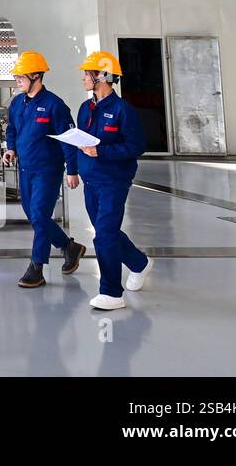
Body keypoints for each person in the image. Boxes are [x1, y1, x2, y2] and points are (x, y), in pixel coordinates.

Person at [75, 51, 151, 311]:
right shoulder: (85, 108)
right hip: (91, 181)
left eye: (88, 73)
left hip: (113, 181)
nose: (84, 78)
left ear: (103, 76)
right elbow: (80, 142)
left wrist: (103, 151)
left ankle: (111, 292)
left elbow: (137, 146)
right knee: (107, 232)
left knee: (104, 235)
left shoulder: (123, 110)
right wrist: (74, 169)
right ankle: (139, 263)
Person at [4, 51, 86, 288]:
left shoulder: (54, 105)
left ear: (36, 75)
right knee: (34, 216)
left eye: (21, 76)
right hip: (25, 169)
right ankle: (70, 247)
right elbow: (13, 130)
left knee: (39, 215)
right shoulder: (18, 103)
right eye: (17, 76)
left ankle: (37, 267)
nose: (18, 80)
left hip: (48, 170)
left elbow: (68, 139)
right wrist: (11, 149)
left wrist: (72, 170)